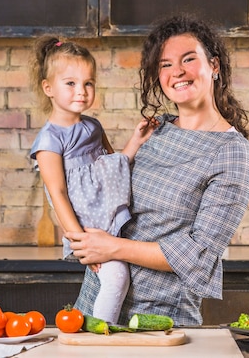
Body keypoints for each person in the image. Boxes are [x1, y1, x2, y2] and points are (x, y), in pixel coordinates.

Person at [68, 14, 249, 326]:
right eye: (166, 64)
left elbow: (197, 253)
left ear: (214, 66)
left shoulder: (233, 154)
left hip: (158, 322)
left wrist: (111, 246)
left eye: (188, 59)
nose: (177, 72)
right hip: (93, 305)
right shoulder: (157, 131)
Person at [29, 36, 154, 324]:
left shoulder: (93, 126)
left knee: (131, 275)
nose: (82, 91)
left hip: (115, 220)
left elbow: (115, 166)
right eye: (70, 83)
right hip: (90, 231)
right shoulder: (49, 140)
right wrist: (81, 243)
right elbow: (57, 193)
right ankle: (102, 338)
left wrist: (136, 140)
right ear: (48, 88)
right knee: (117, 278)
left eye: (89, 83)